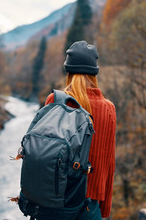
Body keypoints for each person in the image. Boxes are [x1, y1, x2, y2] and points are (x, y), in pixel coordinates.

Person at [45, 40, 116, 219]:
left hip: (55, 200)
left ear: (68, 71)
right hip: (89, 204)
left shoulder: (55, 100)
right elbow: (109, 162)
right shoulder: (108, 109)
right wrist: (104, 208)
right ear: (94, 74)